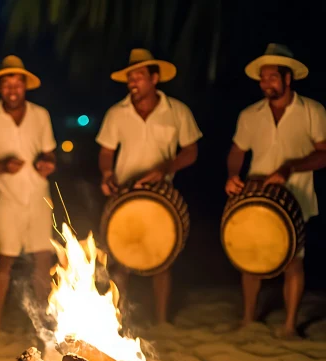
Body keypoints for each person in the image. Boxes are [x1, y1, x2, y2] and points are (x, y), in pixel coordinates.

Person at [225, 44, 326, 339]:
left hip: (296, 197)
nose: (265, 82)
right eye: (262, 77)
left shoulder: (313, 111)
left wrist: (289, 169)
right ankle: (247, 319)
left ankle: (290, 325)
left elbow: (323, 153)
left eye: (271, 77)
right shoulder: (250, 114)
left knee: (293, 260)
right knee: (250, 257)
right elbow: (237, 150)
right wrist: (232, 175)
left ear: (287, 78)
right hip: (255, 196)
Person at [96, 48, 202, 325]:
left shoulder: (177, 111)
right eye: (130, 77)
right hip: (124, 194)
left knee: (161, 258)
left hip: (160, 196)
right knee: (120, 260)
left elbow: (191, 151)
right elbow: (106, 151)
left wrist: (166, 168)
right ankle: (116, 321)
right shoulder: (116, 113)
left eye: (139, 76)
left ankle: (162, 320)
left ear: (155, 78)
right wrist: (107, 174)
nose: (133, 82)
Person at [0, 55, 57, 334]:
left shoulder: (40, 115)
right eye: (6, 85)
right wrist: (1, 166)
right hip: (6, 198)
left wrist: (48, 164)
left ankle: (44, 324)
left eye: (17, 84)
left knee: (43, 261)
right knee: (4, 261)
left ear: (25, 87)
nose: (12, 90)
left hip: (39, 196)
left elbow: (50, 153)